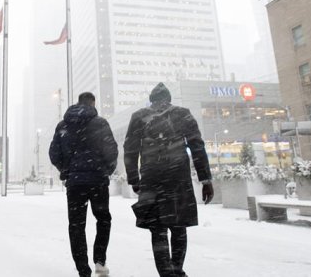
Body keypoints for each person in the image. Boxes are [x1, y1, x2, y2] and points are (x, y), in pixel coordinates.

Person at [123, 83, 213, 277]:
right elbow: (197, 147)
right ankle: (177, 270)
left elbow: (130, 149)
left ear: (152, 99)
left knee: (158, 229)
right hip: (178, 178)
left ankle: (166, 272)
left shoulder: (139, 116)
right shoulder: (183, 114)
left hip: (151, 178)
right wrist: (206, 180)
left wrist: (134, 178)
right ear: (169, 98)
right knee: (179, 226)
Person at [49, 92, 118, 277]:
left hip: (75, 184)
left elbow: (54, 153)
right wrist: (106, 171)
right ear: (93, 103)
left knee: (76, 225)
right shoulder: (100, 123)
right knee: (103, 219)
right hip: (98, 182)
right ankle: (100, 261)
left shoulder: (63, 125)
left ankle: (83, 270)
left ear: (78, 103)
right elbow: (112, 151)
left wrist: (66, 170)